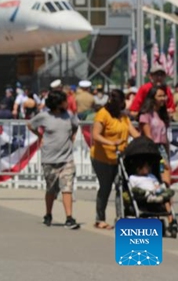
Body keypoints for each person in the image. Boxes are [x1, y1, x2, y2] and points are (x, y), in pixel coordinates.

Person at [26, 90, 80, 229]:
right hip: (49, 158)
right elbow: (30, 125)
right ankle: (48, 214)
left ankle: (69, 217)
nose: (67, 103)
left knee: (67, 187)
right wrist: (40, 136)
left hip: (66, 158)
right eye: (64, 101)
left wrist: (72, 137)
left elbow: (75, 126)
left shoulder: (69, 116)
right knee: (51, 188)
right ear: (57, 103)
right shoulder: (44, 116)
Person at [90, 89, 139, 230]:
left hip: (119, 158)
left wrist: (144, 141)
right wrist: (111, 143)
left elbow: (133, 132)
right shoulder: (102, 114)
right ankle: (100, 218)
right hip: (102, 158)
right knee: (105, 187)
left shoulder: (123, 117)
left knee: (121, 187)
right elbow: (96, 135)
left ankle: (120, 217)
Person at [138, 83, 172, 185]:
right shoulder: (146, 115)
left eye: (164, 96)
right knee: (155, 180)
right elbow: (148, 136)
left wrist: (166, 153)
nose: (163, 98)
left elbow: (164, 136)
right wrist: (159, 156)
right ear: (153, 98)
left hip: (162, 148)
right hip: (151, 150)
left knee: (166, 181)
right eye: (160, 96)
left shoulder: (162, 114)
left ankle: (166, 199)